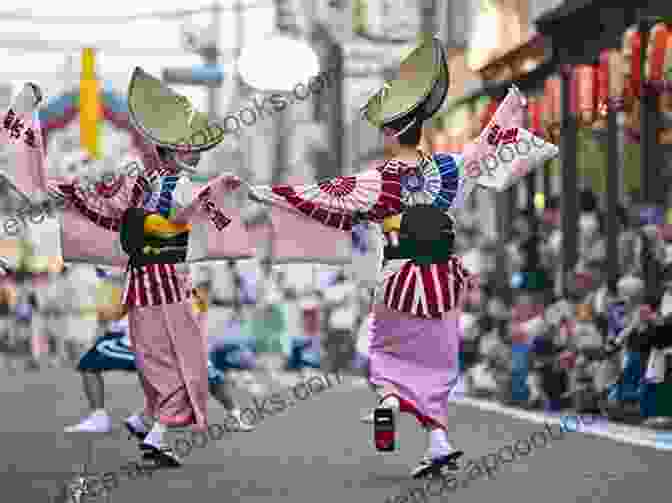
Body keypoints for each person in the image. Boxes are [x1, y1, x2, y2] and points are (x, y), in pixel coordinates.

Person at [249, 36, 472, 478]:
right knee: (438, 359)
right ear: (422, 127)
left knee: (389, 351)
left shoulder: (377, 179)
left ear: (390, 132)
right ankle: (438, 438)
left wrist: (270, 195)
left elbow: (324, 200)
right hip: (445, 278)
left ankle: (389, 400)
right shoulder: (448, 170)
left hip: (398, 276)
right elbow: (485, 161)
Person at [43, 67, 246, 467]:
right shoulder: (176, 186)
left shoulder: (138, 181)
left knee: (155, 360)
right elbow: (181, 216)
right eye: (188, 148)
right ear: (170, 150)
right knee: (181, 360)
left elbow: (100, 201)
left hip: (141, 285)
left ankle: (147, 420)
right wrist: (222, 187)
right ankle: (156, 433)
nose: (195, 154)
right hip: (166, 284)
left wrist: (60, 189)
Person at [64, 270, 255, 435]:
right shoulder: (154, 262)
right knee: (91, 363)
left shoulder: (172, 270)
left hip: (154, 333)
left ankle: (137, 421)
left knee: (203, 373)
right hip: (143, 332)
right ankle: (122, 420)